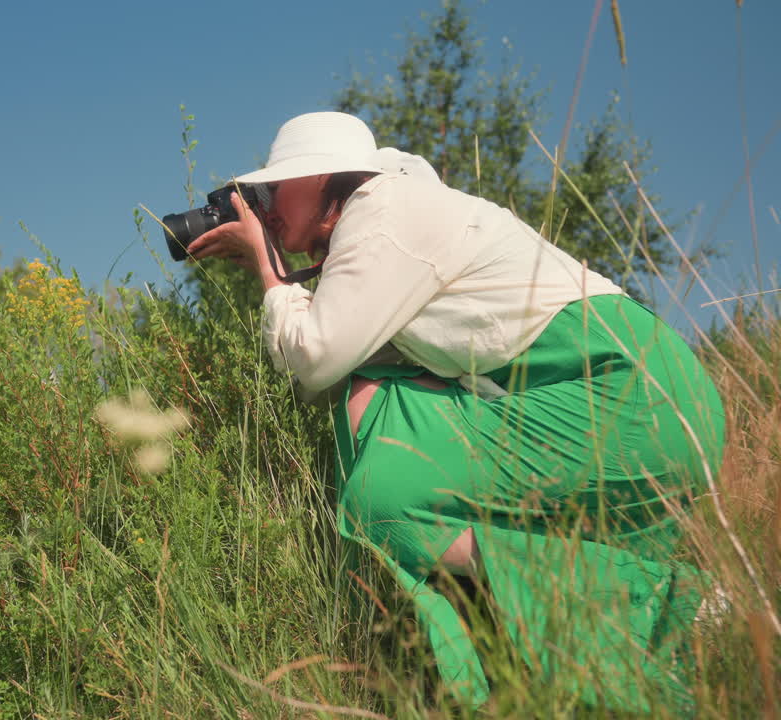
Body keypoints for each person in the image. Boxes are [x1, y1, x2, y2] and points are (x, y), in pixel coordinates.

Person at [184, 111, 725, 712]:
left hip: (631, 396)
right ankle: (537, 653)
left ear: (319, 180)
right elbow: (337, 367)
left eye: (272, 190)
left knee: (383, 497)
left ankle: (677, 601)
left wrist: (267, 269)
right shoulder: (391, 219)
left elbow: (315, 358)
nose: (265, 206)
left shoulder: (382, 216)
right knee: (387, 438)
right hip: (654, 396)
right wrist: (287, 270)